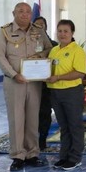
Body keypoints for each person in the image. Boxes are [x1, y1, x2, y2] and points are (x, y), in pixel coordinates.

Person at [0, 2, 53, 171]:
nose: (25, 14)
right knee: (16, 118)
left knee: (33, 118)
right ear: (14, 13)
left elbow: (49, 49)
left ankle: (32, 153)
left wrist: (39, 57)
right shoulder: (5, 32)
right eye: (21, 11)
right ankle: (18, 155)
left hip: (34, 82)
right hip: (14, 82)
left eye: (27, 11)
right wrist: (14, 74)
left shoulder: (38, 31)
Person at [47, 20, 86, 171]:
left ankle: (75, 158)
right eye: (60, 31)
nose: (62, 34)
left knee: (75, 125)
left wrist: (58, 77)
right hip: (55, 92)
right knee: (63, 126)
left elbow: (80, 73)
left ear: (72, 33)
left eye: (66, 31)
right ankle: (64, 156)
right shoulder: (54, 50)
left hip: (71, 92)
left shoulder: (77, 50)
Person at [34, 16, 58, 151]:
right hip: (30, 84)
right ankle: (31, 141)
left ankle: (42, 140)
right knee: (31, 113)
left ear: (46, 27)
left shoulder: (54, 45)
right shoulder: (28, 44)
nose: (39, 27)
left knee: (45, 112)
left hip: (46, 85)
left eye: (41, 24)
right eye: (36, 24)